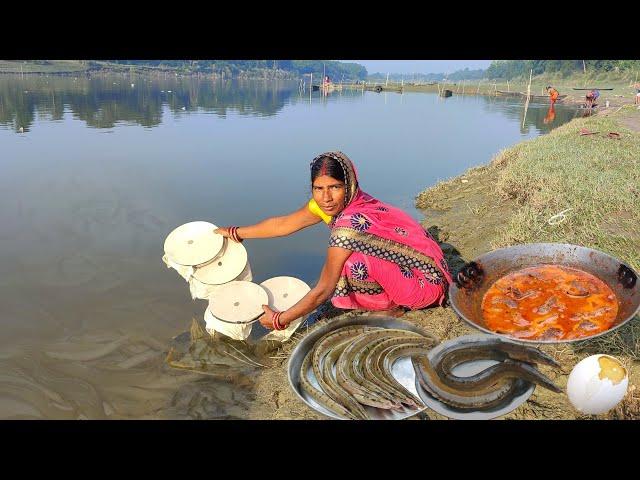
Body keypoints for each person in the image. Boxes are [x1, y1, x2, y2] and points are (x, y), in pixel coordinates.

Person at [215, 151, 452, 331]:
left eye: (334, 187)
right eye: (318, 188)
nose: (326, 198)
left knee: (344, 262)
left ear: (348, 185)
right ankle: (387, 298)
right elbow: (283, 224)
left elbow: (323, 289)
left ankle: (390, 308)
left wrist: (280, 319)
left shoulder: (350, 223)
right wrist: (236, 233)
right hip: (422, 270)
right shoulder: (349, 202)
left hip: (423, 289)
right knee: (346, 254)